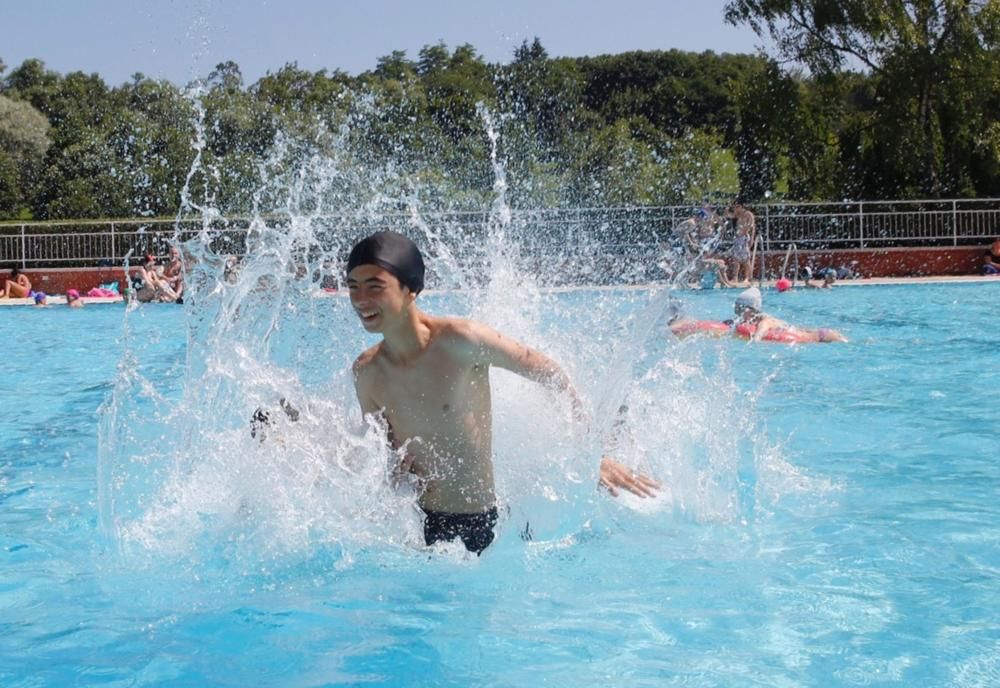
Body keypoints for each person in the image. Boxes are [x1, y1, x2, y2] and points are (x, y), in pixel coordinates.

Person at [347, 231, 659, 555]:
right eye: (353, 287)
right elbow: (385, 456)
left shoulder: (461, 341)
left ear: (410, 289)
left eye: (375, 286)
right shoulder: (367, 373)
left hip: (483, 525)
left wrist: (591, 455)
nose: (360, 299)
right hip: (418, 526)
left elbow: (548, 373)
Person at [732, 287, 847, 343]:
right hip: (812, 333)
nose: (739, 314)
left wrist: (755, 341)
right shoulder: (749, 320)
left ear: (752, 310)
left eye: (741, 310)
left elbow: (760, 333)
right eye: (737, 310)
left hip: (823, 336)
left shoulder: (766, 320)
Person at [725, 202, 756, 285]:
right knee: (736, 259)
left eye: (737, 207)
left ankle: (747, 278)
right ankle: (735, 277)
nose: (735, 208)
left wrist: (752, 239)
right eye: (735, 207)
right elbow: (727, 216)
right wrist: (727, 208)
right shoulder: (738, 215)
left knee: (746, 259)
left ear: (742, 207)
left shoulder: (748, 214)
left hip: (744, 238)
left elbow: (751, 227)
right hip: (737, 238)